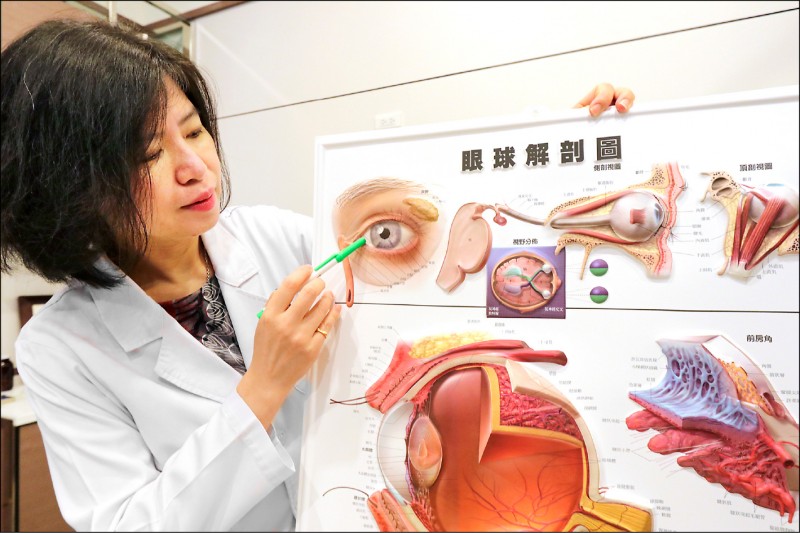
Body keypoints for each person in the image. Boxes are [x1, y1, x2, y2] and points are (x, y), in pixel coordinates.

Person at [0, 18, 635, 532]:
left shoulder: (278, 239)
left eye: (193, 130)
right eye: (149, 155)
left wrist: (559, 154)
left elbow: (449, 267)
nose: (195, 166)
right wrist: (264, 388)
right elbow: (128, 524)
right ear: (71, 190)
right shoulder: (60, 348)